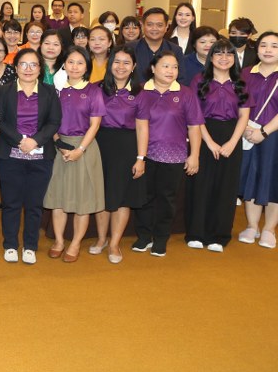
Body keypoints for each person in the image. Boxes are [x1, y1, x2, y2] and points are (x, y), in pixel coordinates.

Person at [133, 50, 204, 257]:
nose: (170, 71)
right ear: (153, 68)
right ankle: (144, 236)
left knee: (167, 199)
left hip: (174, 156)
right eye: (165, 66)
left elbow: (194, 127)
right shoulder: (140, 91)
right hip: (144, 154)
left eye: (174, 67)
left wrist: (194, 155)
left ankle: (161, 238)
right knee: (144, 197)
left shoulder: (186, 93)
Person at [0, 48, 61, 265]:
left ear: (40, 69)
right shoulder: (3, 91)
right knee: (11, 203)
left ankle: (30, 246)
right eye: (23, 64)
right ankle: (10, 244)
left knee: (34, 204)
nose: (28, 69)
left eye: (33, 64)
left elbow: (54, 121)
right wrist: (19, 140)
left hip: (41, 157)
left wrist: (36, 140)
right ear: (16, 68)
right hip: (10, 155)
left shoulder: (49, 92)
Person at [185, 38, 250, 251]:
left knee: (226, 187)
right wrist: (210, 142)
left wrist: (232, 142)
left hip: (232, 136)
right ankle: (196, 233)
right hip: (203, 134)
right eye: (219, 53)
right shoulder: (199, 80)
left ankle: (219, 236)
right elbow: (195, 115)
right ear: (211, 57)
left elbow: (244, 116)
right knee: (201, 185)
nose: (224, 57)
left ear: (234, 58)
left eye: (229, 53)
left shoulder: (241, 82)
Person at [43, 47, 105, 263]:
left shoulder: (94, 91)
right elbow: (50, 121)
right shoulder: (56, 91)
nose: (75, 67)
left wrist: (80, 150)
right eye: (71, 62)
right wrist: (59, 144)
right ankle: (59, 241)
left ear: (87, 66)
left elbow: (95, 124)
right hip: (59, 146)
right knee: (58, 198)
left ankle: (76, 243)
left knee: (82, 200)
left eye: (80, 63)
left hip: (84, 148)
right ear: (64, 64)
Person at [88, 47, 146, 264]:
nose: (121, 67)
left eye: (126, 62)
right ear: (109, 64)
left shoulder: (140, 92)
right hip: (100, 144)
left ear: (134, 66)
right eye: (117, 62)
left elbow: (143, 127)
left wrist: (141, 158)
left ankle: (114, 243)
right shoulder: (96, 88)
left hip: (127, 147)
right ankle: (102, 238)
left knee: (123, 198)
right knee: (102, 194)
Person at [237, 31, 278, 248]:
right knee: (250, 178)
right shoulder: (245, 73)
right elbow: (237, 103)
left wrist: (264, 132)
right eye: (264, 45)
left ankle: (269, 228)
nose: (268, 50)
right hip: (248, 134)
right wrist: (245, 128)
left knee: (273, 180)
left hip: (274, 136)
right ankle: (252, 225)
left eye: (274, 46)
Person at [134, 8, 184, 82]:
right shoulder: (130, 48)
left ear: (166, 27)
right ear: (142, 26)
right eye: (150, 25)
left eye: (159, 25)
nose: (154, 28)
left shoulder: (176, 50)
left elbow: (181, 79)